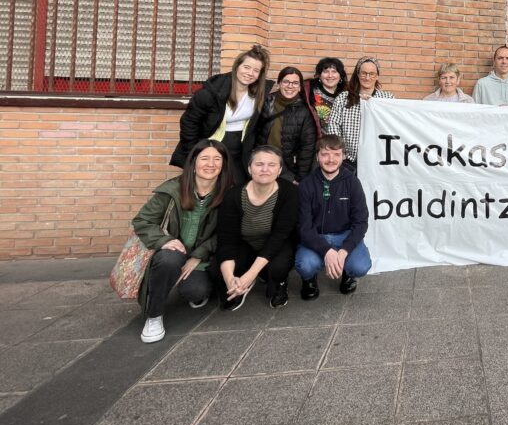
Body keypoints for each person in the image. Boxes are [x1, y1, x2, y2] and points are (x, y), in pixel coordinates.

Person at [134, 140, 232, 343]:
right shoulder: (172, 190)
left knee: (195, 291)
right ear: (193, 162)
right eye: (204, 158)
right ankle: (154, 316)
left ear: (223, 164)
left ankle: (183, 281)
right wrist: (164, 240)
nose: (211, 164)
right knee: (169, 261)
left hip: (202, 257)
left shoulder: (229, 194)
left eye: (217, 159)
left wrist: (198, 256)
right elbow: (143, 220)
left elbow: (227, 233)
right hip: (172, 251)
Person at [170, 44, 272, 184]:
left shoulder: (259, 94)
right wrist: (193, 154)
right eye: (246, 67)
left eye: (256, 70)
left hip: (240, 150)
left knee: (237, 187)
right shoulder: (212, 92)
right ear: (237, 67)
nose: (250, 73)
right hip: (213, 147)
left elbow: (259, 126)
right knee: (212, 186)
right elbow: (189, 123)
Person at [216, 145, 298, 309]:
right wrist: (230, 280)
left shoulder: (289, 192)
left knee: (277, 268)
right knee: (216, 271)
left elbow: (279, 236)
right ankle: (238, 285)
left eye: (271, 165)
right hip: (245, 243)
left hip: (276, 244)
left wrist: (250, 275)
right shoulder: (233, 195)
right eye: (259, 164)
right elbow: (227, 240)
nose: (265, 169)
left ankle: (278, 283)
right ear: (249, 168)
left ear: (279, 170)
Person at [296, 136, 372, 299]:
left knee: (360, 266)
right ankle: (309, 279)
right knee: (305, 265)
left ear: (343, 156)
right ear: (317, 156)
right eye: (325, 154)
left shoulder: (353, 183)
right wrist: (326, 250)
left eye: (336, 154)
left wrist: (344, 251)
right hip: (316, 236)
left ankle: (348, 274)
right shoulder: (306, 185)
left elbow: (361, 222)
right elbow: (304, 227)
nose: (331, 159)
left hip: (344, 235)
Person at [325, 56, 395, 170]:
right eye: (363, 73)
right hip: (349, 161)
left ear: (377, 76)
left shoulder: (387, 98)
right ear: (357, 74)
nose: (367, 77)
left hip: (378, 160)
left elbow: (393, 124)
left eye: (372, 74)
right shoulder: (343, 98)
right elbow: (334, 125)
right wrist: (339, 152)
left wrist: (374, 104)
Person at [257, 67, 317, 184]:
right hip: (263, 162)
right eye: (286, 81)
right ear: (279, 84)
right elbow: (253, 132)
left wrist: (299, 178)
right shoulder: (266, 102)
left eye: (295, 83)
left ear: (300, 87)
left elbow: (307, 147)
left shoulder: (304, 111)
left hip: (287, 167)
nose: (290, 86)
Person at [305, 57, 347, 136]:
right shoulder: (308, 90)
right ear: (319, 75)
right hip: (315, 140)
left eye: (334, 71)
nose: (330, 75)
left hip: (340, 141)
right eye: (326, 71)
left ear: (340, 76)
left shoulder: (347, 95)